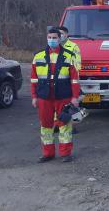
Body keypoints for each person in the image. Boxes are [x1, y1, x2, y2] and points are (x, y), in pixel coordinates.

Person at [31, 28, 80, 163]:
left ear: (60, 39)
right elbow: (34, 79)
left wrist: (75, 96)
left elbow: (74, 79)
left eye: (54, 38)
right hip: (44, 97)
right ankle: (48, 153)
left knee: (64, 125)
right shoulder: (38, 56)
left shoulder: (69, 56)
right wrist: (34, 96)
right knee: (46, 126)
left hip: (63, 96)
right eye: (49, 37)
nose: (51, 40)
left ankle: (65, 153)